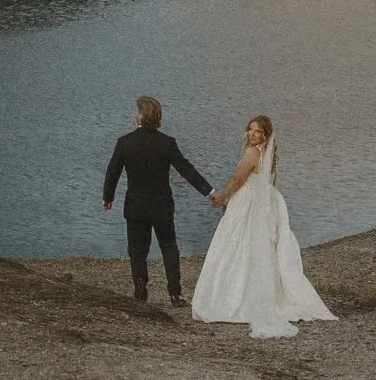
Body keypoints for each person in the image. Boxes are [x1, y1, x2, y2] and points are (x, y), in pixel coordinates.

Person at [190, 115, 336, 338]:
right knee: (257, 248)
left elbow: (238, 179)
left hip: (248, 202)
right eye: (250, 130)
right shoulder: (270, 155)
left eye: (257, 131)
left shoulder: (252, 153)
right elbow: (269, 183)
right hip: (265, 202)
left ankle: (233, 298)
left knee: (238, 245)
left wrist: (221, 197)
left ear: (265, 135)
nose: (252, 134)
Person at [101, 95, 214, 305]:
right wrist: (208, 191)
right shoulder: (167, 143)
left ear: (141, 116)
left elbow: (112, 173)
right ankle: (175, 293)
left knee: (137, 249)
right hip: (162, 204)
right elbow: (186, 169)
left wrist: (108, 197)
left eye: (137, 111)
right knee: (169, 245)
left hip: (135, 205)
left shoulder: (125, 143)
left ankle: (141, 290)